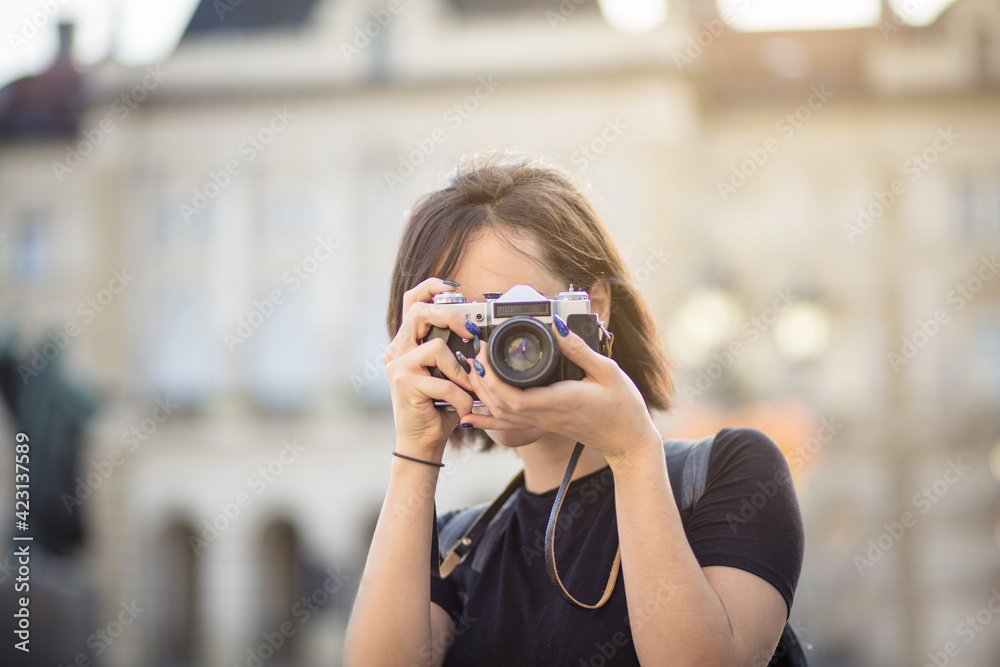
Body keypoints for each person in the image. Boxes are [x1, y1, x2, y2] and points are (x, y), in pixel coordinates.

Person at [344, 151, 804, 666]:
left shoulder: (730, 473)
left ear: (595, 307)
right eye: (467, 320)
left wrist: (632, 453)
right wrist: (415, 449)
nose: (498, 347)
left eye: (517, 314)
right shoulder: (459, 549)